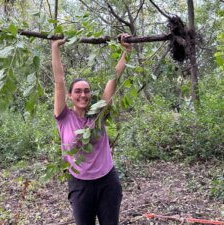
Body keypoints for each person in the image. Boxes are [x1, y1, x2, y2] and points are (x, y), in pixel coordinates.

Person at [51, 33, 132, 225]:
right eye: (78, 91)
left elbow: (113, 79)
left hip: (107, 182)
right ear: (70, 95)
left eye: (86, 90)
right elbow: (59, 81)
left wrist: (126, 51)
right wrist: (55, 48)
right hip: (80, 185)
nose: (83, 94)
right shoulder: (63, 117)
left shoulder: (98, 112)